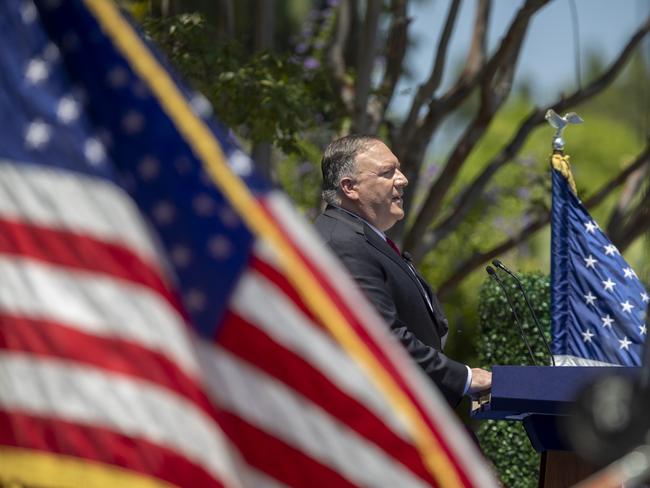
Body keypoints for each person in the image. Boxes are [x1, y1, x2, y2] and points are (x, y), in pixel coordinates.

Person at [314, 134, 492, 407]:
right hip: (381, 417)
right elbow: (381, 335)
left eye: (398, 168)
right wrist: (466, 378)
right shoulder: (343, 242)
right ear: (350, 187)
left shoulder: (363, 238)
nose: (403, 179)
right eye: (387, 172)